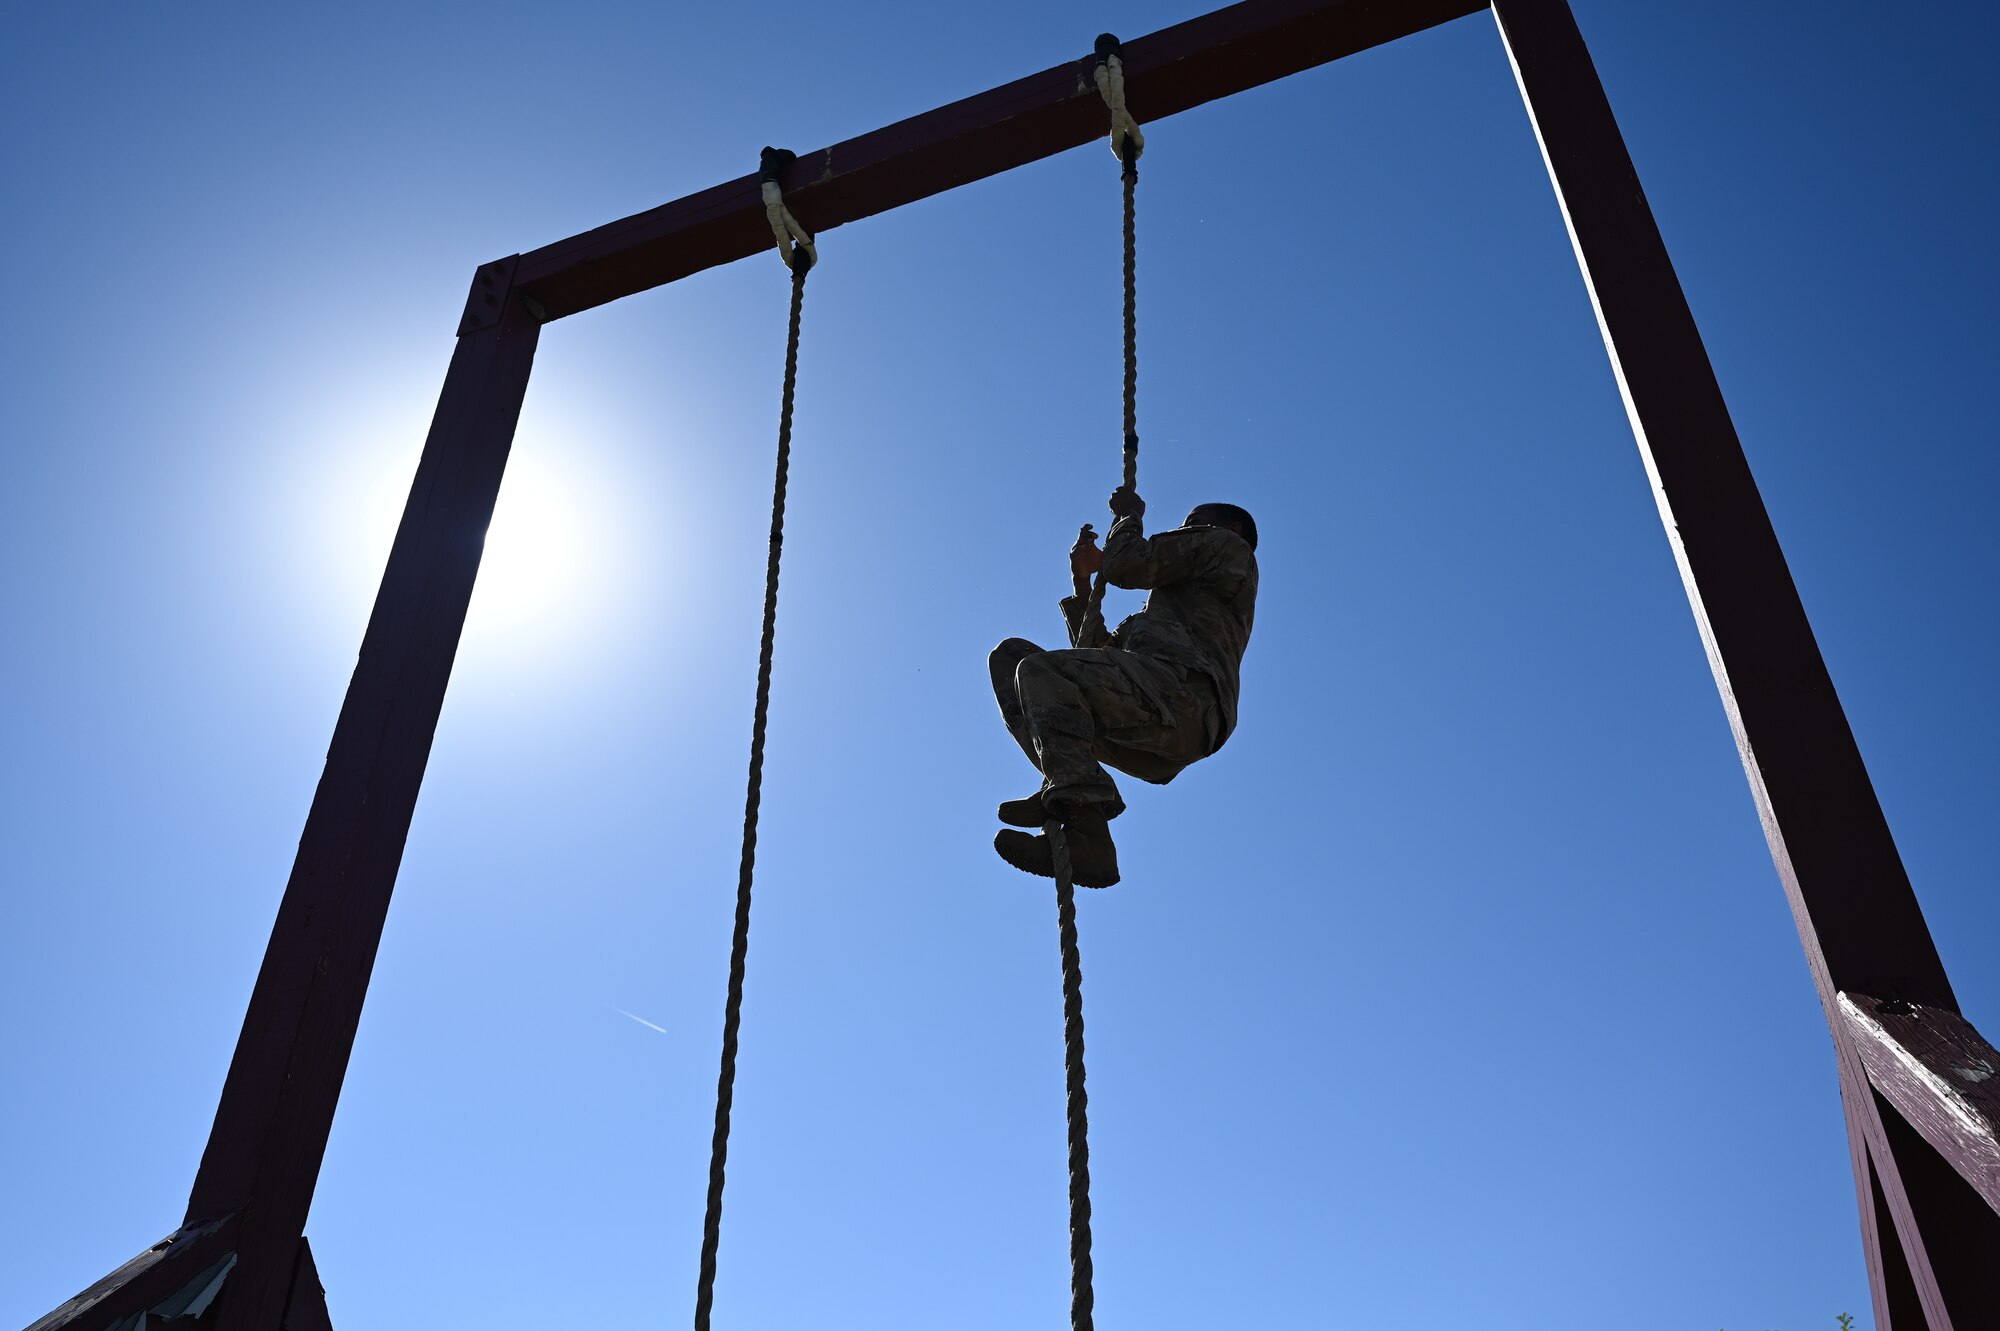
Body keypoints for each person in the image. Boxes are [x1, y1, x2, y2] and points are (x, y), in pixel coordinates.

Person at [989, 485, 1258, 887]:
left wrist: (1129, 517)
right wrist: (1083, 582)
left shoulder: (1228, 548)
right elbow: (1094, 653)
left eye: (1193, 525)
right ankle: (1074, 789)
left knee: (1039, 671)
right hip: (1155, 720)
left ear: (1230, 528)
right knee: (1012, 659)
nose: (1185, 533)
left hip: (1183, 700)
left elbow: (1130, 565)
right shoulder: (1152, 623)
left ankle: (1086, 821)